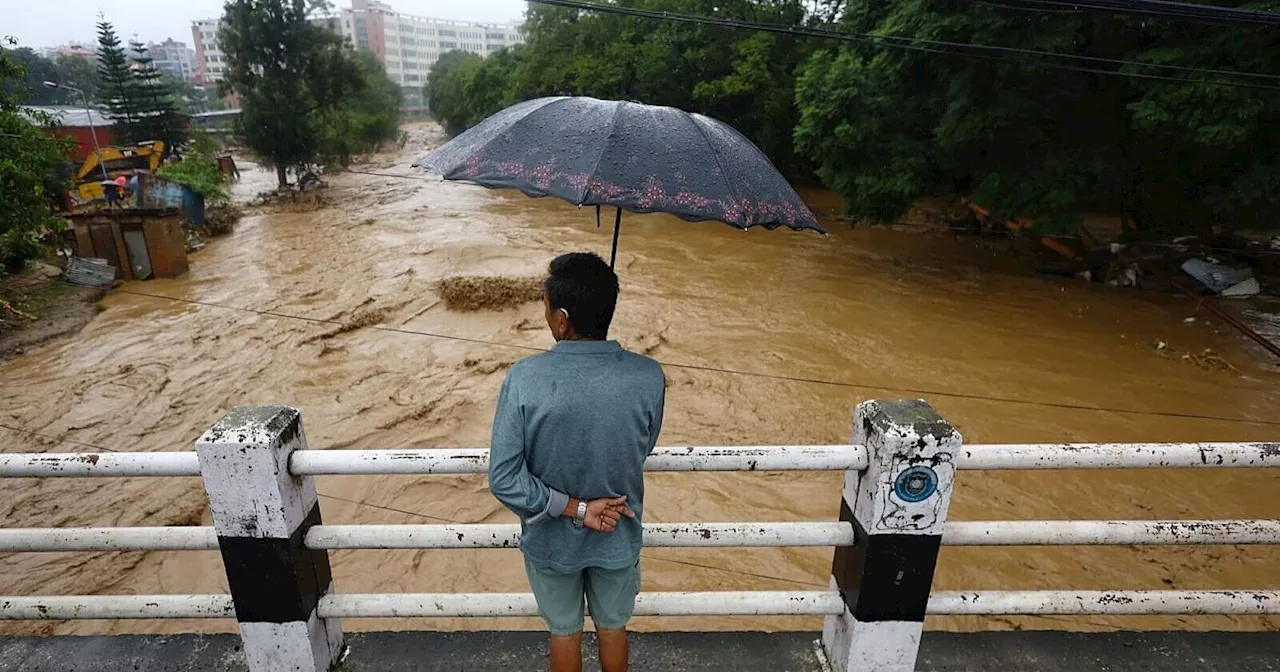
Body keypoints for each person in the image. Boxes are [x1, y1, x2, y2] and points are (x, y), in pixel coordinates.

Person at [489, 252, 666, 672]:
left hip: (551, 541)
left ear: (563, 320)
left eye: (546, 307)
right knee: (613, 626)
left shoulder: (524, 377)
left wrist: (576, 508)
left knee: (564, 631)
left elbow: (504, 477)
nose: (546, 315)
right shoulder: (649, 376)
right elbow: (642, 445)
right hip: (619, 531)